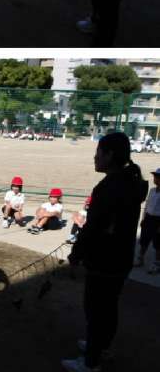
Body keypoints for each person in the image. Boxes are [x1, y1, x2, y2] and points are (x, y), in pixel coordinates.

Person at [62, 132, 148, 372]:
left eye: (98, 152)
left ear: (110, 155)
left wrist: (76, 254)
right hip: (121, 257)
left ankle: (91, 362)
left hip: (104, 258)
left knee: (96, 310)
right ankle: (101, 347)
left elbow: (93, 227)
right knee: (108, 308)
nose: (95, 157)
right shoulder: (131, 181)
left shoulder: (109, 186)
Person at [134, 167, 160, 274]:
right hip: (149, 218)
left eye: (157, 177)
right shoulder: (152, 190)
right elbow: (147, 205)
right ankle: (140, 258)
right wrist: (143, 218)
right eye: (155, 176)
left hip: (158, 220)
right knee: (144, 239)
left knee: (158, 242)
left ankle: (157, 263)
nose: (155, 179)